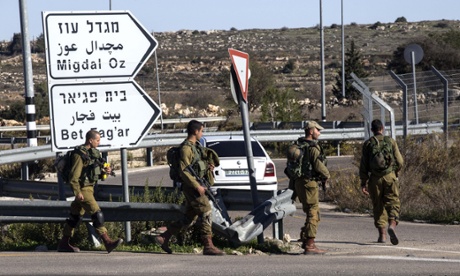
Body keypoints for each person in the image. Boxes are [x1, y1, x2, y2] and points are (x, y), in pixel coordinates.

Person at [155, 120, 225, 255]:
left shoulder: (196, 147)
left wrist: (208, 167)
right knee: (206, 211)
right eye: (201, 131)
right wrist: (197, 185)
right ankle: (208, 245)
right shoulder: (186, 149)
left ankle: (165, 237)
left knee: (189, 218)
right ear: (195, 131)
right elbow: (184, 171)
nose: (202, 134)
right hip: (192, 187)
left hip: (198, 185)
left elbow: (198, 164)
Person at [57, 130, 123, 253]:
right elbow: (73, 177)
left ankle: (64, 243)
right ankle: (107, 241)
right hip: (83, 189)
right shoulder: (79, 155)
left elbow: (94, 173)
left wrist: (105, 172)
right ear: (90, 140)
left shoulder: (93, 154)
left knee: (74, 217)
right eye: (97, 140)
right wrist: (77, 192)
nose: (99, 142)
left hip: (89, 187)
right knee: (97, 213)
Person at [359, 119, 404, 245]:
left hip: (374, 179)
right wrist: (394, 172)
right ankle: (392, 226)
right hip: (389, 176)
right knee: (393, 202)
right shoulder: (391, 141)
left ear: (372, 130)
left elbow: (363, 166)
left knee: (378, 205)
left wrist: (363, 182)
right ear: (382, 128)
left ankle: (382, 235)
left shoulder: (368, 144)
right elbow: (400, 161)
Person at [291, 121, 330, 254]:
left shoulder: (298, 145)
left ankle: (305, 238)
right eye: (318, 130)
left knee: (308, 211)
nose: (319, 133)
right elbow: (318, 165)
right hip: (309, 183)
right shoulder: (313, 147)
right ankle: (310, 245)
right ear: (311, 131)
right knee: (313, 212)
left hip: (299, 183)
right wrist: (327, 176)